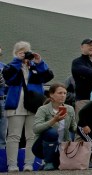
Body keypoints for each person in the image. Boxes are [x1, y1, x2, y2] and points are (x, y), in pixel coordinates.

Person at [2, 41, 54, 172]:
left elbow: (48, 76)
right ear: (15, 53)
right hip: (16, 104)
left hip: (34, 104)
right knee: (14, 135)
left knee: (31, 135)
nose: (24, 54)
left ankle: (29, 164)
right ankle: (12, 165)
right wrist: (17, 61)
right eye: (21, 51)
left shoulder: (35, 67)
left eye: (26, 51)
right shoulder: (12, 66)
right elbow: (7, 76)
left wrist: (39, 62)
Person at [32, 83, 77, 171]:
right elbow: (36, 129)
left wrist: (83, 128)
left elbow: (73, 127)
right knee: (52, 132)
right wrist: (54, 120)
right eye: (60, 93)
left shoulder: (70, 109)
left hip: (62, 144)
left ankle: (56, 161)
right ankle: (48, 161)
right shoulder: (43, 109)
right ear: (51, 95)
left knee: (72, 134)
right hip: (42, 146)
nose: (63, 95)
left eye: (65, 93)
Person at [71, 38, 92, 115]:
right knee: (83, 125)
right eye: (90, 45)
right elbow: (87, 72)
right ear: (82, 47)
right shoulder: (77, 62)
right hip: (83, 100)